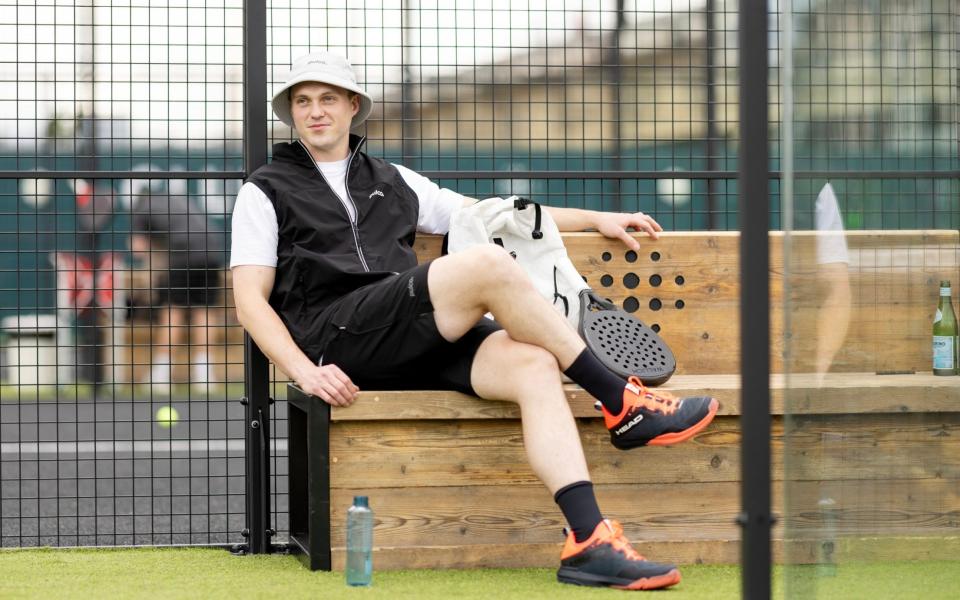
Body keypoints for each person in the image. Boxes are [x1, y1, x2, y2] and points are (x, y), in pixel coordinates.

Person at [230, 51, 719, 591]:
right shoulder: (265, 189)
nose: (315, 112)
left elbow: (492, 214)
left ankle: (589, 541)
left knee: (532, 363)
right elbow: (249, 299)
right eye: (302, 102)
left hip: (409, 331)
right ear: (291, 114)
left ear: (352, 107)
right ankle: (620, 400)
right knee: (486, 263)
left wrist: (595, 218)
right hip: (337, 339)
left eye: (327, 99)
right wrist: (304, 370)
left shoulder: (392, 179)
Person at [130, 191, 225, 392]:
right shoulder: (177, 200)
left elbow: (138, 248)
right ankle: (204, 376)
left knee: (173, 311)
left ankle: (161, 375)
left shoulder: (141, 209)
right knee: (204, 311)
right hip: (211, 253)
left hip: (182, 256)